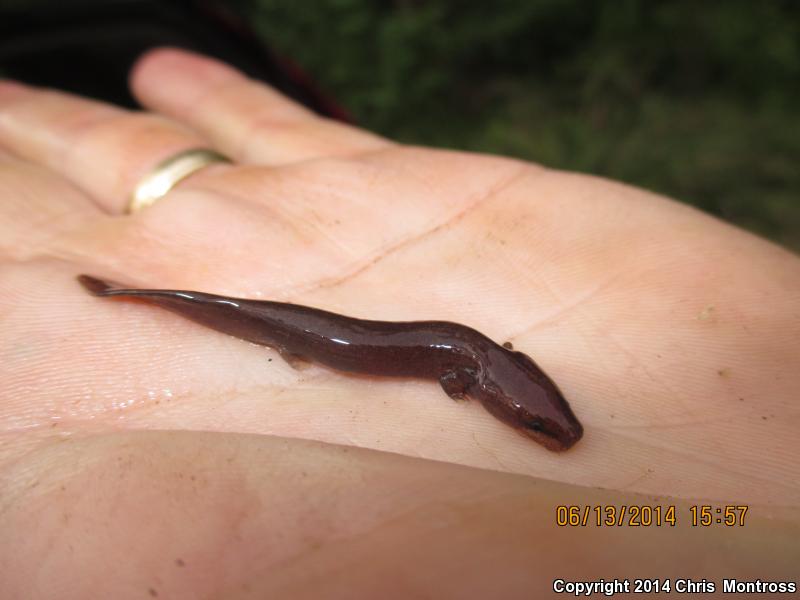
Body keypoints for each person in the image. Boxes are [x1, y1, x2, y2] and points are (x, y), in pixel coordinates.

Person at [0, 48, 797, 597]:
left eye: (545, 421)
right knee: (247, 319)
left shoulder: (473, 364)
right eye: (542, 422)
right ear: (502, 385)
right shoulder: (464, 366)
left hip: (335, 332)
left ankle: (124, 292)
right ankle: (123, 293)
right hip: (311, 332)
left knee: (268, 321)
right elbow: (457, 372)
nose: (549, 428)